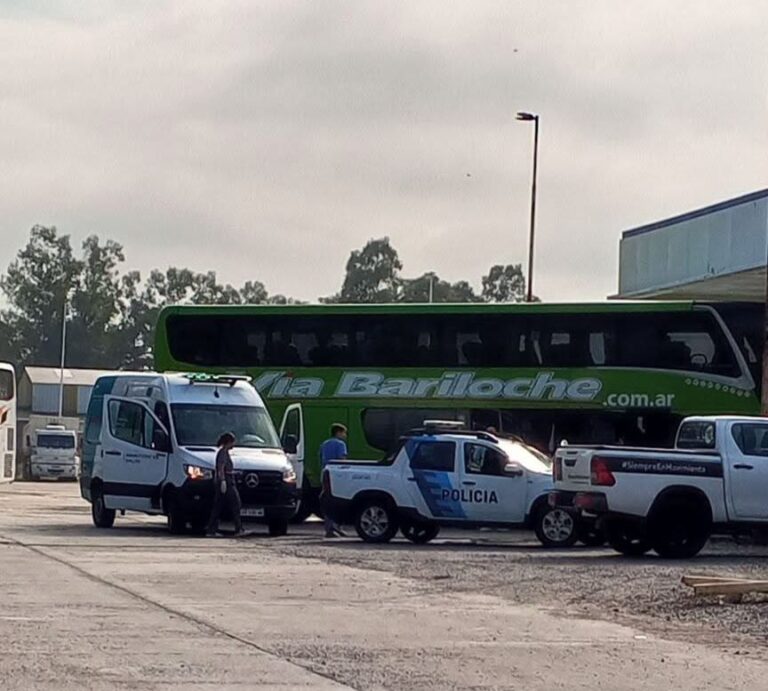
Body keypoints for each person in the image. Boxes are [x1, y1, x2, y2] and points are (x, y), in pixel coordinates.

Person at [206, 432, 243, 537]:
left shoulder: (224, 452)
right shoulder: (223, 453)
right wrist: (222, 481)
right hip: (226, 481)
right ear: (229, 442)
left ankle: (211, 529)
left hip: (226, 479)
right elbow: (221, 468)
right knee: (236, 504)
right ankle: (238, 529)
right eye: (233, 442)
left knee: (218, 506)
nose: (234, 445)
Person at [319, 423, 348, 538]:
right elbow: (342, 460)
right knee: (339, 500)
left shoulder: (324, 444)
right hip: (337, 474)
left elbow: (320, 458)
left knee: (327, 500)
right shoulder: (341, 444)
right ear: (338, 432)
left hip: (325, 472)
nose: (345, 435)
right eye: (344, 433)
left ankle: (329, 528)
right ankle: (336, 526)